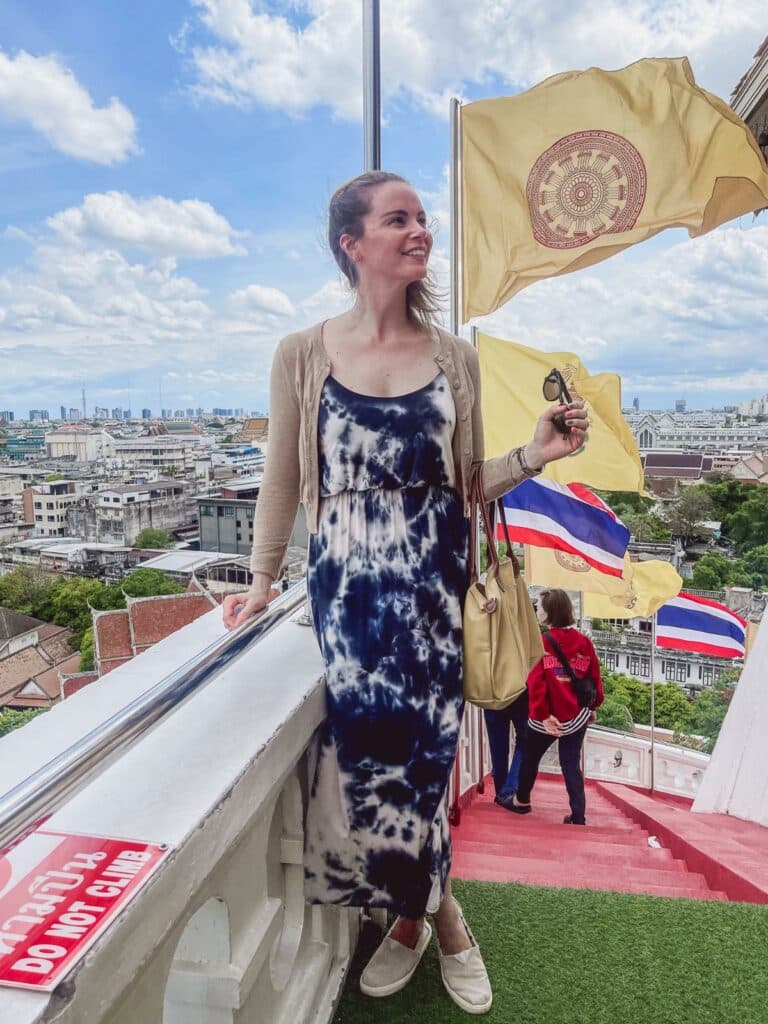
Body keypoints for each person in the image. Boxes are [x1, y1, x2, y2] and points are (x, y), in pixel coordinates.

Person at [222, 171, 589, 1015]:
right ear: (353, 244)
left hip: (432, 602)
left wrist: (536, 454)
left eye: (424, 217)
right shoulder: (301, 353)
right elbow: (281, 480)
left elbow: (467, 483)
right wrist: (261, 581)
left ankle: (423, 925)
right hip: (346, 601)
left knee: (420, 774)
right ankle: (436, 921)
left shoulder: (453, 358)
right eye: (400, 219)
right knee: (366, 772)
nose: (421, 230)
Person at [505, 589, 604, 825]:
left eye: (539, 607)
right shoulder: (584, 642)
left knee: (530, 757)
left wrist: (544, 715)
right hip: (577, 715)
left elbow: (535, 683)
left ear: (550, 612)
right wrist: (592, 706)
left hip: (547, 717)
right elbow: (595, 679)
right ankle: (578, 815)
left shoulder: (543, 643)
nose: (537, 611)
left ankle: (522, 800)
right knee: (570, 763)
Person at [484, 691, 529, 804]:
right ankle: (509, 791)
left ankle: (501, 791)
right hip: (522, 691)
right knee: (526, 741)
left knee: (497, 744)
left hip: (493, 693)